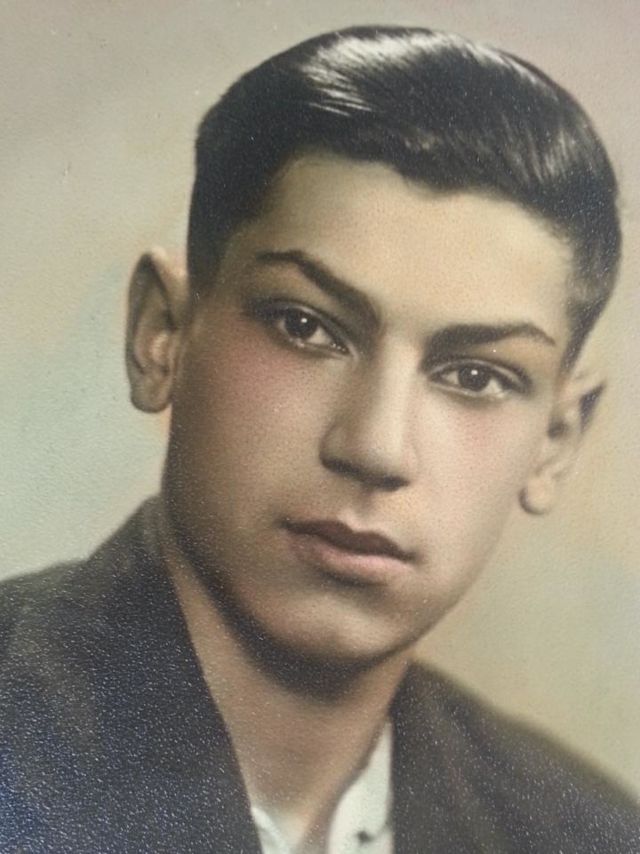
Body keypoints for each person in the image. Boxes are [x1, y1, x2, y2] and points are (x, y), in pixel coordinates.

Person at [1, 24, 638, 853]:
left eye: (475, 376)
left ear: (555, 439)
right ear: (162, 334)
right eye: (305, 326)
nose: (376, 448)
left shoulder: (586, 834)